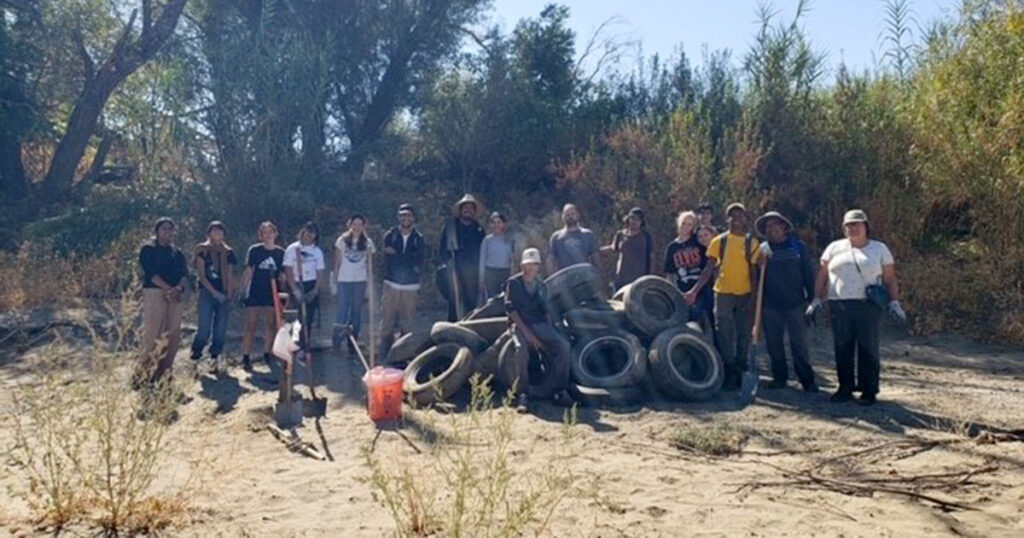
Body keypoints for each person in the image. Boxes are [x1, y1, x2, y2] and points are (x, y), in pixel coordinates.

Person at [808, 209, 905, 405]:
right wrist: (816, 299)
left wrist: (895, 302)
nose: (853, 228)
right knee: (842, 346)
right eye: (849, 225)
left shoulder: (879, 249)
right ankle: (845, 387)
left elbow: (890, 278)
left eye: (857, 224)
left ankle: (869, 390)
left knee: (868, 347)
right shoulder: (834, 248)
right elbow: (823, 275)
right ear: (844, 228)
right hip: (839, 304)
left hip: (867, 305)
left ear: (865, 226)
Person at [684, 203, 760, 389]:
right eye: (732, 215)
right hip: (723, 293)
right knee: (724, 333)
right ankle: (729, 370)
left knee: (743, 333)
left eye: (740, 215)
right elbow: (709, 268)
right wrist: (694, 290)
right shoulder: (719, 240)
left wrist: (754, 297)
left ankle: (741, 369)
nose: (736, 218)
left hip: (744, 294)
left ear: (745, 219)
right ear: (727, 219)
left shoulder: (752, 242)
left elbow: (754, 272)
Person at [755, 211, 818, 392]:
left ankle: (807, 380)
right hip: (770, 305)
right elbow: (756, 278)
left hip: (796, 304)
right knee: (774, 345)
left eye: (775, 225)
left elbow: (808, 274)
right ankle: (779, 378)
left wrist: (812, 301)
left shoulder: (798, 247)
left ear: (784, 227)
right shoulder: (763, 249)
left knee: (799, 344)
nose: (772, 229)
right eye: (768, 227)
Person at [504, 248, 573, 413]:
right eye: (529, 264)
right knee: (522, 351)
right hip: (520, 324)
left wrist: (549, 334)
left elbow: (546, 310)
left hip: (538, 324)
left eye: (535, 264)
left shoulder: (541, 285)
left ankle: (559, 390)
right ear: (523, 265)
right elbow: (511, 311)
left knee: (563, 346)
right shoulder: (513, 283)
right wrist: (528, 335)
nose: (532, 267)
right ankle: (523, 395)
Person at [135, 217, 189, 388]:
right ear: (157, 231)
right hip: (155, 292)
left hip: (175, 295)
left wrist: (178, 289)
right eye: (164, 228)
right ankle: (143, 373)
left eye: (170, 229)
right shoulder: (148, 249)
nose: (167, 232)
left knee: (172, 333)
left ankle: (164, 372)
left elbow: (184, 274)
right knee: (153, 333)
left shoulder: (177, 252)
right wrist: (168, 289)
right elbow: (150, 273)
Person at [190, 221, 238, 373]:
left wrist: (229, 294)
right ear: (209, 233)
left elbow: (230, 275)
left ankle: (214, 359)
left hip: (223, 294)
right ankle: (195, 358)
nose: (217, 234)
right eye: (214, 231)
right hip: (207, 293)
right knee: (204, 329)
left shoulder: (229, 252)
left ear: (224, 234)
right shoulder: (202, 250)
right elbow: (202, 275)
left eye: (220, 231)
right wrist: (214, 292)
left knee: (220, 330)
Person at [380, 204, 426, 353]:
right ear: (398, 217)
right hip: (391, 283)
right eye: (402, 215)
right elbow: (387, 259)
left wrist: (398, 255)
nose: (406, 218)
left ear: (413, 218)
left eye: (408, 215)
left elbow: (418, 260)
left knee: (408, 323)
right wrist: (405, 258)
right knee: (387, 322)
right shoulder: (390, 235)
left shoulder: (419, 238)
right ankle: (385, 355)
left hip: (411, 286)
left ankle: (404, 354)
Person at [240, 221, 285, 372]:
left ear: (275, 233)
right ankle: (246, 355)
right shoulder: (255, 250)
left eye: (270, 232)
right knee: (251, 324)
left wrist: (283, 285)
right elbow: (249, 270)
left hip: (272, 293)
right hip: (256, 291)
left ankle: (267, 352)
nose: (267, 235)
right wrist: (243, 289)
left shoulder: (280, 253)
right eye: (264, 232)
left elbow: (282, 273)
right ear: (260, 235)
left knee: (270, 324)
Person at [439, 194, 486, 321]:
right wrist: (448, 262)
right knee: (454, 299)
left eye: (471, 208)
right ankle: (452, 325)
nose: (468, 210)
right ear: (460, 210)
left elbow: (482, 250)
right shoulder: (450, 227)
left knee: (471, 299)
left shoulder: (479, 229)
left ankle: (470, 324)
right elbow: (442, 248)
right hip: (454, 267)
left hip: (472, 271)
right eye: (465, 207)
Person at [333, 214, 375, 352]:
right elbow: (337, 263)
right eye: (354, 224)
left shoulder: (368, 242)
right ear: (349, 225)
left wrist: (369, 286)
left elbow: (369, 265)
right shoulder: (342, 240)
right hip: (344, 280)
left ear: (364, 226)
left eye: (360, 225)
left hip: (360, 280)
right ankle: (337, 342)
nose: (357, 227)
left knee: (357, 311)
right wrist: (334, 282)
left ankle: (353, 342)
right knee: (342, 311)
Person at [663, 211, 711, 327]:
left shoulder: (697, 241)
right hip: (683, 290)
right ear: (679, 223)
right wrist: (674, 293)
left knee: (705, 316)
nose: (686, 227)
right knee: (688, 320)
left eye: (689, 224)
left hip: (702, 287)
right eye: (684, 223)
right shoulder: (672, 247)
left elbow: (710, 244)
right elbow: (670, 274)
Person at [283, 222, 326, 347]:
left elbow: (320, 272)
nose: (309, 235)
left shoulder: (317, 251)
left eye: (313, 233)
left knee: (308, 316)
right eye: (308, 232)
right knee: (296, 316)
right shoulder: (293, 249)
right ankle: (294, 342)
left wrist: (315, 289)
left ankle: (304, 344)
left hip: (310, 284)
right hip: (295, 283)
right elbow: (288, 269)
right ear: (303, 232)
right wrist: (295, 290)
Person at [603, 207, 655, 291]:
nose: (634, 221)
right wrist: (595, 250)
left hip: (639, 280)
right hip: (621, 279)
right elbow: (613, 248)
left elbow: (651, 257)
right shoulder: (620, 234)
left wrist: (650, 278)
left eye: (638, 219)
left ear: (641, 222)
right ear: (628, 219)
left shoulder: (646, 237)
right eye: (632, 218)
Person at [547, 203, 598, 274]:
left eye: (572, 214)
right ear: (562, 217)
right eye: (567, 214)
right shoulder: (556, 238)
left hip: (585, 275)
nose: (570, 216)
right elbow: (551, 260)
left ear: (578, 215)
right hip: (565, 278)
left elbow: (595, 257)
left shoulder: (588, 234)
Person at [478, 212, 517, 300]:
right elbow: (482, 260)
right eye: (493, 222)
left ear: (504, 224)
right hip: (491, 273)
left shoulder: (509, 240)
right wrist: (481, 279)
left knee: (507, 297)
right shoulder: (487, 240)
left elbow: (513, 259)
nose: (496, 225)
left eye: (499, 222)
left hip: (505, 272)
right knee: (492, 299)